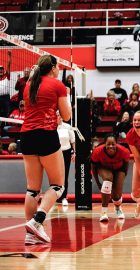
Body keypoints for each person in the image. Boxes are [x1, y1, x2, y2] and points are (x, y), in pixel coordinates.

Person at [21, 55, 71, 245]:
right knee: (58, 186)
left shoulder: (29, 84)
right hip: (46, 136)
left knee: (32, 189)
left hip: (26, 136)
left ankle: (30, 235)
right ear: (53, 68)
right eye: (58, 66)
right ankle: (37, 221)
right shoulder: (57, 85)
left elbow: (36, 110)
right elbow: (66, 116)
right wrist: (59, 115)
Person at [91, 134, 131, 222]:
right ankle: (104, 212)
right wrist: (98, 183)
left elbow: (126, 166)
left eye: (113, 144)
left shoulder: (124, 151)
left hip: (119, 169)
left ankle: (118, 208)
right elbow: (93, 168)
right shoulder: (97, 151)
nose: (111, 146)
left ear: (116, 143)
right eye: (108, 144)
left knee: (116, 196)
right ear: (104, 144)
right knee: (108, 178)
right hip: (103, 168)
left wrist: (121, 178)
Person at [56, 112, 76, 206]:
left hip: (66, 152)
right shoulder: (51, 127)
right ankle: (55, 196)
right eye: (56, 115)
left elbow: (73, 141)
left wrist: (74, 152)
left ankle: (64, 197)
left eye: (59, 115)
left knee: (65, 175)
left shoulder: (68, 126)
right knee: (55, 175)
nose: (58, 117)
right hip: (55, 153)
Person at [0, 51, 11, 118]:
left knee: (7, 113)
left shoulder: (7, 75)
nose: (0, 70)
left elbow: (9, 65)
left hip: (6, 98)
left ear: (3, 70)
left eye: (1, 69)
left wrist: (9, 56)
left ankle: (5, 126)